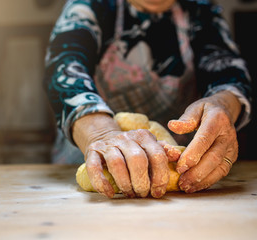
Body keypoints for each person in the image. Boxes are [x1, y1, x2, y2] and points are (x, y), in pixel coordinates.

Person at [43, 0, 252, 198]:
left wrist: (223, 105)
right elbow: (63, 68)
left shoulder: (199, 10)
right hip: (87, 157)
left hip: (181, 172)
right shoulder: (92, 6)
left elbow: (229, 73)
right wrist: (101, 133)